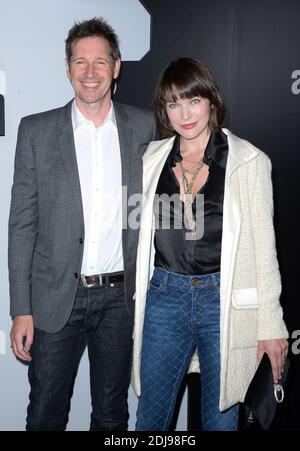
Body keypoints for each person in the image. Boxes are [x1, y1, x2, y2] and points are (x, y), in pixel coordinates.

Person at [8, 17, 156, 431]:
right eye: (80, 62)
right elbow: (21, 224)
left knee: (111, 417)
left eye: (100, 62)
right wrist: (21, 309)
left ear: (117, 66)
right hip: (57, 299)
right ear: (67, 67)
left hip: (118, 300)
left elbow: (154, 213)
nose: (90, 73)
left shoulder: (144, 127)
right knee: (45, 414)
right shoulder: (36, 131)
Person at [132, 57, 289, 431]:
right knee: (150, 419)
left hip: (225, 300)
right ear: (164, 110)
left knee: (220, 420)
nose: (185, 113)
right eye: (174, 103)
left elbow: (265, 252)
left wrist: (272, 326)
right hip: (164, 297)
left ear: (211, 102)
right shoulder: (150, 160)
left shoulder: (249, 162)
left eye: (193, 100)